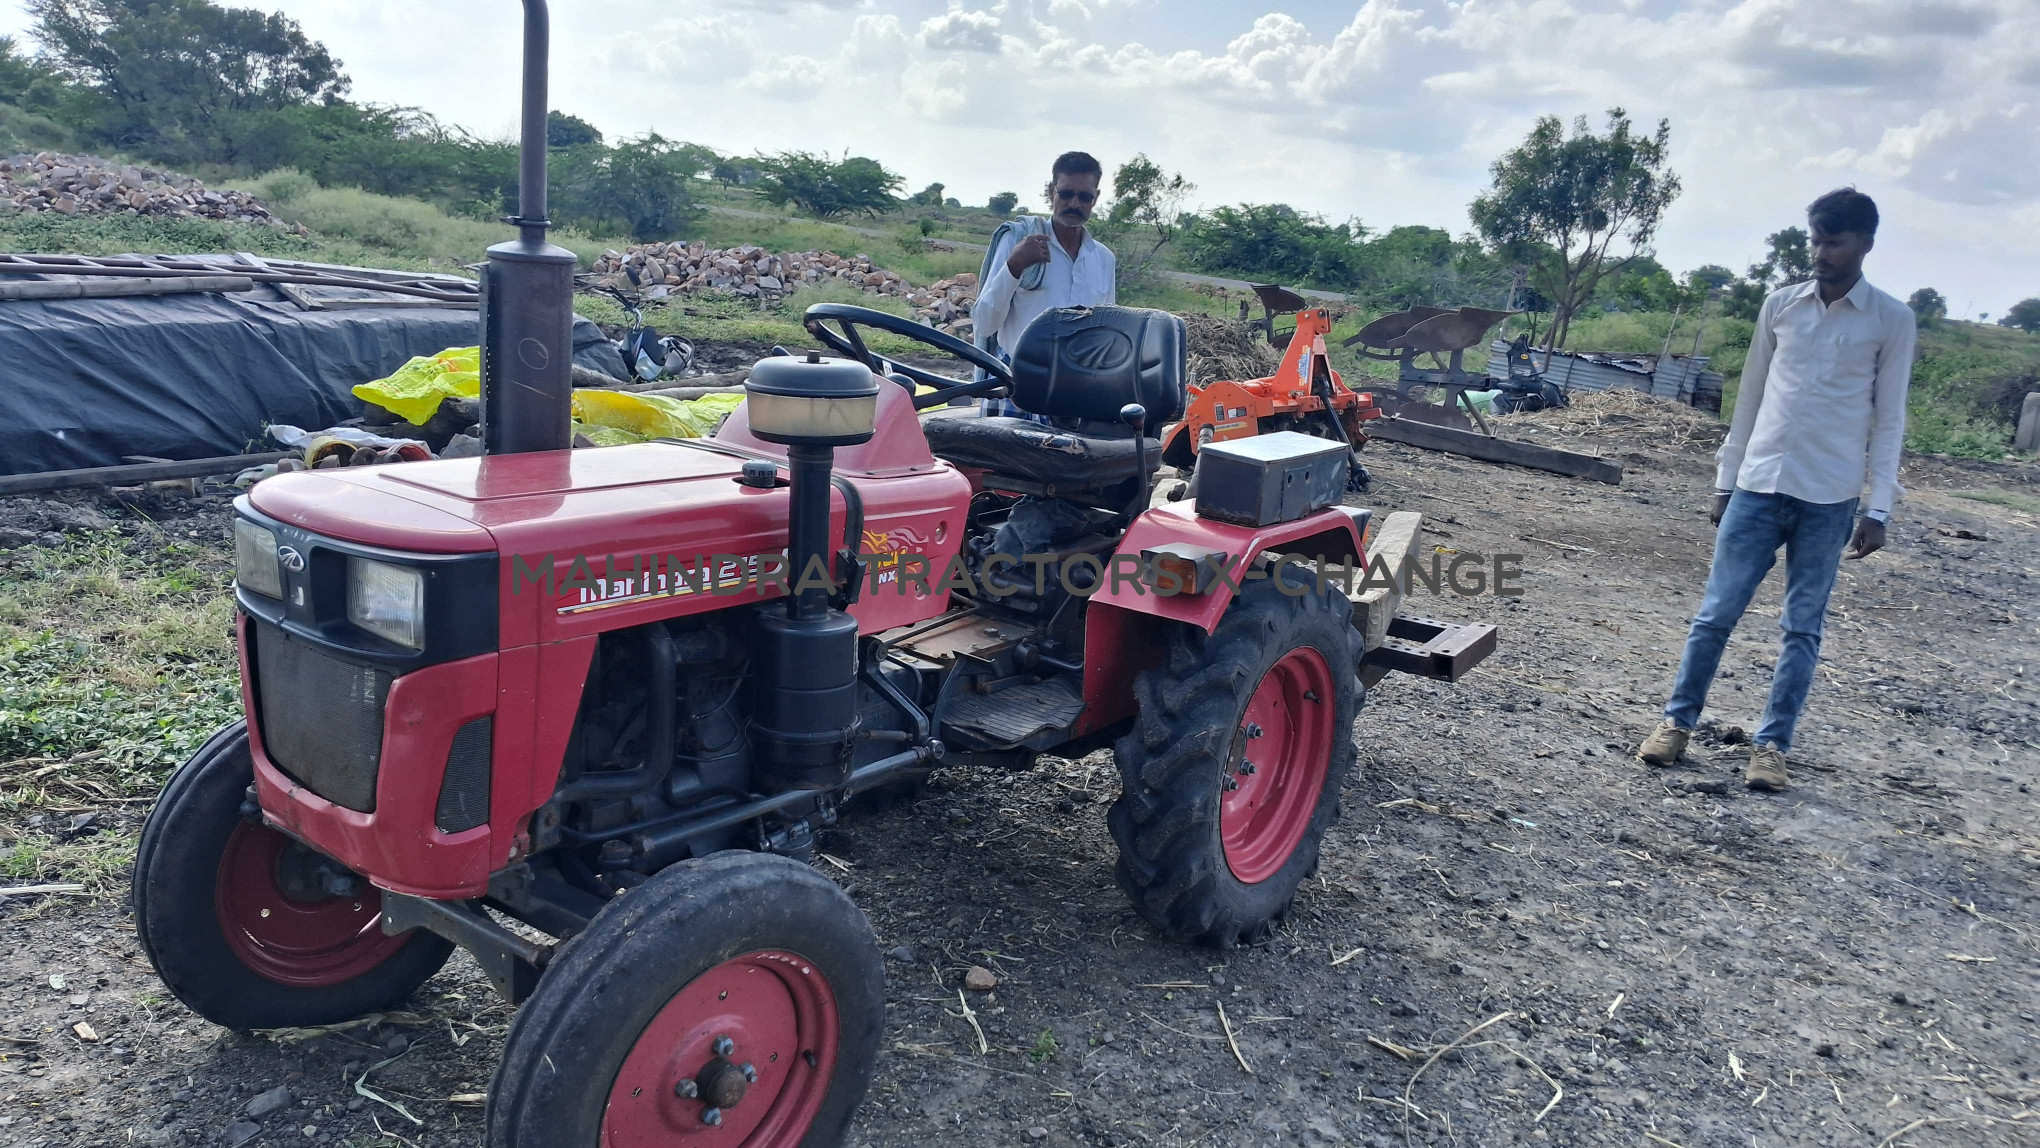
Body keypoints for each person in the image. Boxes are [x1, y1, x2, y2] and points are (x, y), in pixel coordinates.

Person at [1638, 187, 1916, 792]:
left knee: (1801, 628)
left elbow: (1890, 419)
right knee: (1714, 616)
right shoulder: (1781, 307)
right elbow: (1750, 400)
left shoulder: (1891, 320)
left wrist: (1879, 507)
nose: (1820, 251)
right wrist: (1724, 481)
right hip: (1758, 486)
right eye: (1815, 238)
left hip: (1830, 497)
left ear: (1865, 244)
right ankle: (1676, 725)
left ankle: (1770, 747)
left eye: (1833, 241)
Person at [971, 151, 1117, 423]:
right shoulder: (1020, 241)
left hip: (1072, 395)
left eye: (1084, 197)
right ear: (1051, 192)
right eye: (1066, 193)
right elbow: (983, 324)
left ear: (1095, 198)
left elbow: (1104, 335)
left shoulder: (1103, 260)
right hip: (1015, 388)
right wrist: (1015, 265)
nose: (1074, 203)